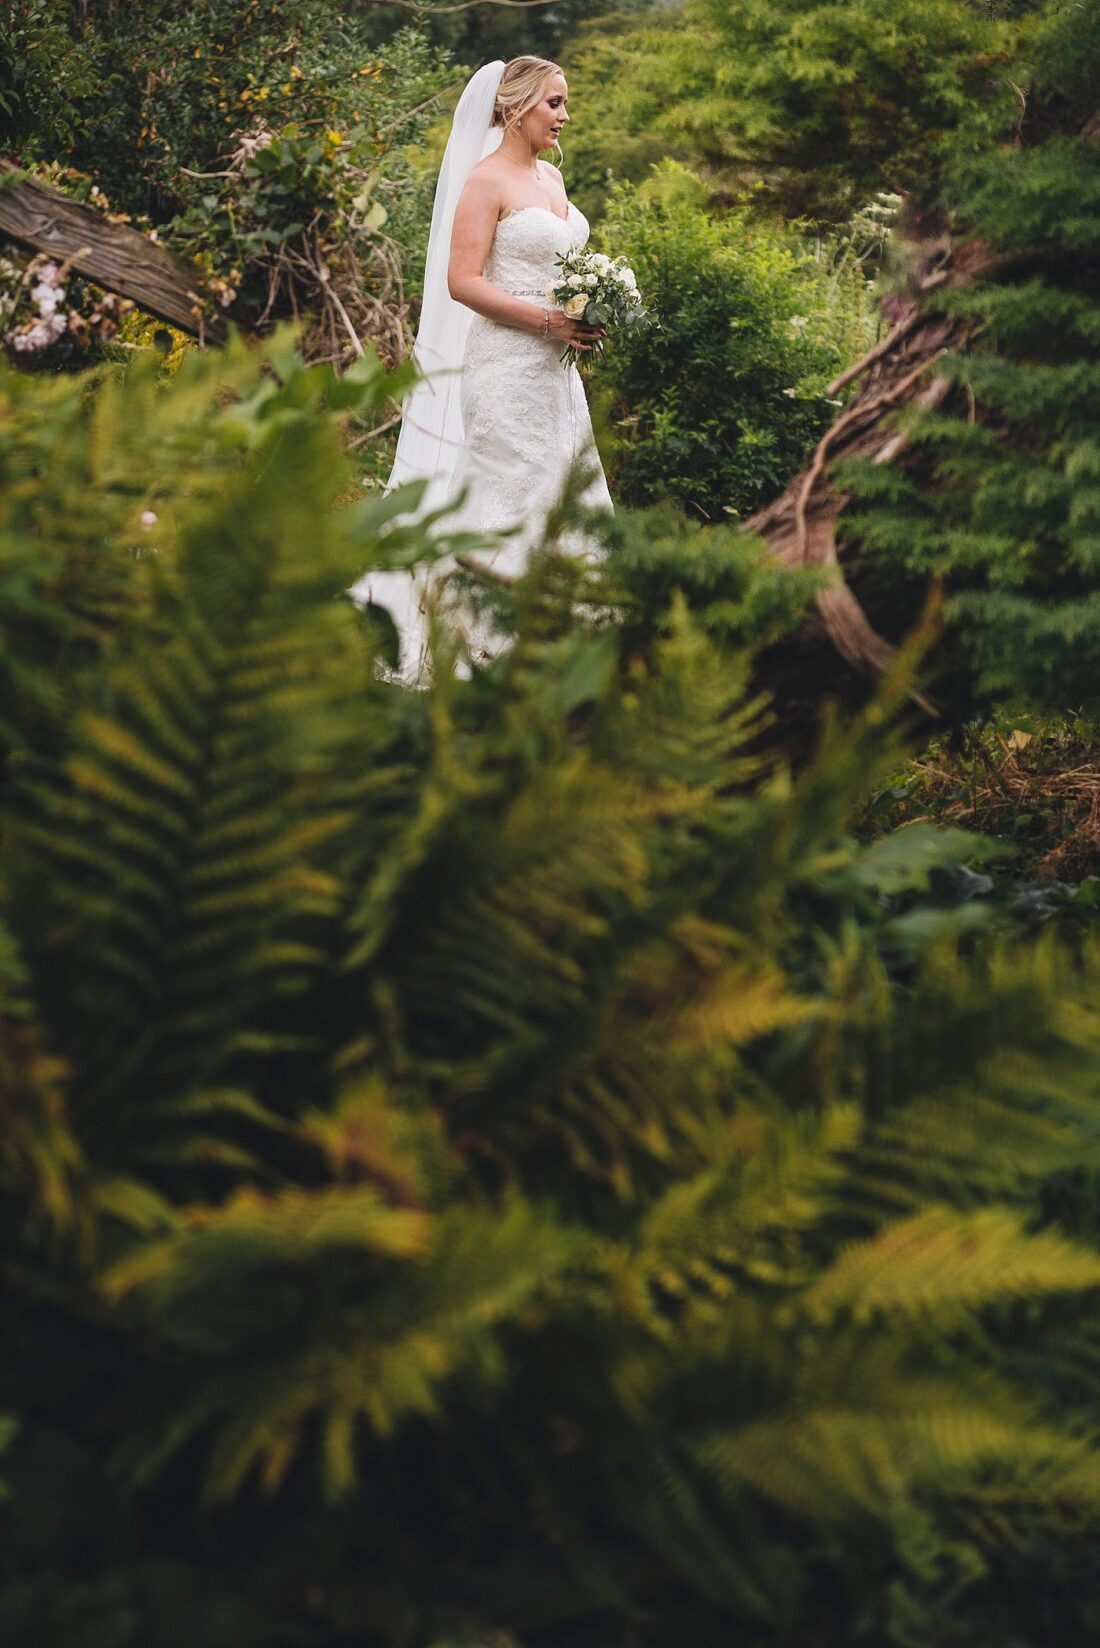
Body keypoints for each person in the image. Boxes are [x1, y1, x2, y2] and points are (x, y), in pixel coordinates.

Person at [355, 57, 613, 680]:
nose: (564, 116)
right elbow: (462, 282)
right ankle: (484, 638)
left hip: (556, 374)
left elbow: (558, 271)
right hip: (503, 366)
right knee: (510, 488)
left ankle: (567, 639)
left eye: (564, 103)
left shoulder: (553, 181)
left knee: (562, 489)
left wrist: (592, 306)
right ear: (517, 104)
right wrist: (549, 322)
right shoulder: (485, 181)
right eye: (554, 103)